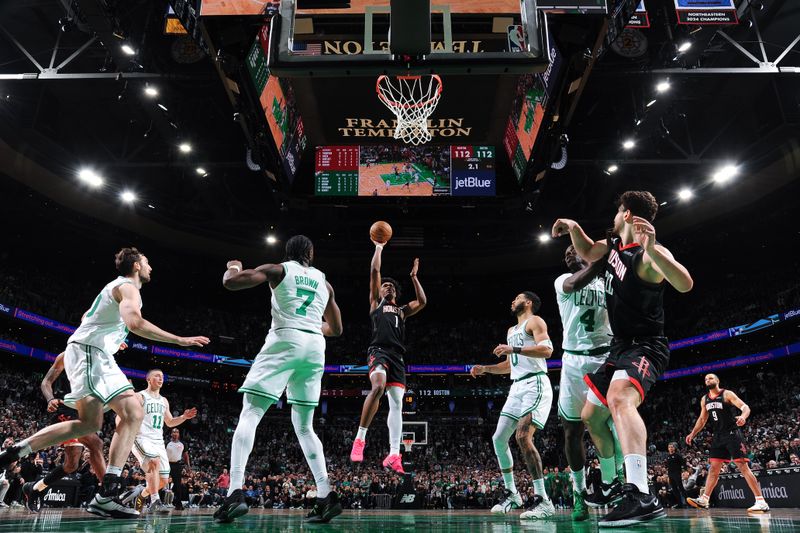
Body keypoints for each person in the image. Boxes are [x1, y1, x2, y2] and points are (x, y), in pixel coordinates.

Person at [0, 247, 209, 519]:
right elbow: (134, 322)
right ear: (136, 265)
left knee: (92, 424)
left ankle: (14, 451)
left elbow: (90, 315)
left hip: (94, 353)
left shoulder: (115, 288)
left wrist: (110, 337)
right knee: (133, 411)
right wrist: (179, 341)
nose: (150, 268)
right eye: (146, 263)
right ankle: (108, 491)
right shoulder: (128, 287)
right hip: (90, 353)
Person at [552, 190, 693, 527]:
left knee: (619, 399)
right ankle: (612, 482)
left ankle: (640, 493)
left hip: (645, 346)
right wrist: (573, 226)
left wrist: (652, 250)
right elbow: (587, 250)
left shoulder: (650, 254)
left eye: (617, 212)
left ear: (627, 214)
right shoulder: (613, 246)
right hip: (620, 347)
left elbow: (685, 283)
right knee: (591, 415)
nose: (613, 218)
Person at [214, 235, 344, 524]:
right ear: (311, 253)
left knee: (251, 411)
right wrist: (309, 325)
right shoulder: (324, 282)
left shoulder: (279, 269)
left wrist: (233, 267)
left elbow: (231, 283)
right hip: (314, 347)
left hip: (286, 338)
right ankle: (325, 494)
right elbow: (335, 329)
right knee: (305, 427)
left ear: (288, 253)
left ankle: (234, 491)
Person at [553, 245, 624, 521]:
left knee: (607, 423)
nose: (568, 253)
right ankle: (579, 494)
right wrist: (603, 260)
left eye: (574, 249)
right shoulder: (562, 280)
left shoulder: (607, 280)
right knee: (571, 431)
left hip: (604, 357)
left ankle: (615, 483)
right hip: (572, 362)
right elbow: (575, 281)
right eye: (565, 251)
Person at [470, 291, 555, 521]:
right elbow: (510, 365)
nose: (512, 300)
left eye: (516, 297)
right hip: (516, 387)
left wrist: (513, 350)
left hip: (535, 382)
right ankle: (512, 493)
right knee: (498, 438)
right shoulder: (511, 331)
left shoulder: (535, 321)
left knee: (523, 437)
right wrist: (485, 368)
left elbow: (547, 350)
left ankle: (543, 499)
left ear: (527, 302)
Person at [350, 239, 426, 473]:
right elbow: (375, 270)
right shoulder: (376, 304)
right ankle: (360, 438)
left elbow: (422, 302)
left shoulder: (402, 311)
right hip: (379, 351)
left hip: (397, 357)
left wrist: (414, 277)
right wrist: (379, 247)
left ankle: (394, 454)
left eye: (392, 286)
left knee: (396, 404)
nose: (388, 287)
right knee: (378, 387)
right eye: (385, 285)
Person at [21, 350, 110, 513]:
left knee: (71, 465)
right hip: (63, 408)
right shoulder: (67, 355)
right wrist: (50, 399)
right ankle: (109, 495)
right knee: (96, 442)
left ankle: (35, 488)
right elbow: (46, 382)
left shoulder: (99, 356)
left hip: (82, 411)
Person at [685, 374, 769, 513]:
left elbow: (745, 407)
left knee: (742, 466)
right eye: (706, 379)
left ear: (717, 380)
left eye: (711, 378)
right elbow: (702, 419)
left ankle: (761, 501)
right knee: (713, 469)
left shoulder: (726, 394)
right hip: (718, 437)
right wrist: (693, 433)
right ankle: (705, 499)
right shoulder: (704, 399)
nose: (708, 380)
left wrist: (743, 416)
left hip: (732, 434)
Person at [130, 369, 197, 514]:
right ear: (148, 379)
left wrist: (183, 417)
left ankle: (141, 496)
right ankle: (155, 501)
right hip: (141, 438)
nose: (161, 378)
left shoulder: (163, 400)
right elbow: (128, 413)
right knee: (153, 461)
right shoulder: (140, 396)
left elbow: (170, 422)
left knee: (163, 481)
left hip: (158, 441)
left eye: (162, 377)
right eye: (157, 376)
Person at [166, 428, 190, 510]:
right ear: (171, 434)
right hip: (166, 464)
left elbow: (186, 456)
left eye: (177, 432)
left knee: (178, 485)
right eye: (173, 432)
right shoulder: (166, 442)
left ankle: (178, 504)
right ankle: (156, 503)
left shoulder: (183, 444)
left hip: (177, 465)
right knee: (161, 483)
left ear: (179, 434)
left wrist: (188, 466)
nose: (175, 433)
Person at [665, 443, 687, 508]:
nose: (670, 448)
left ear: (674, 448)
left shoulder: (678, 455)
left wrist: (684, 471)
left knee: (681, 488)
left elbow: (683, 462)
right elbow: (668, 467)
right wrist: (668, 475)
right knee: (674, 489)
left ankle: (688, 502)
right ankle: (680, 504)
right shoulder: (668, 456)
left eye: (672, 447)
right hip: (670, 474)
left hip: (677, 473)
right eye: (669, 447)